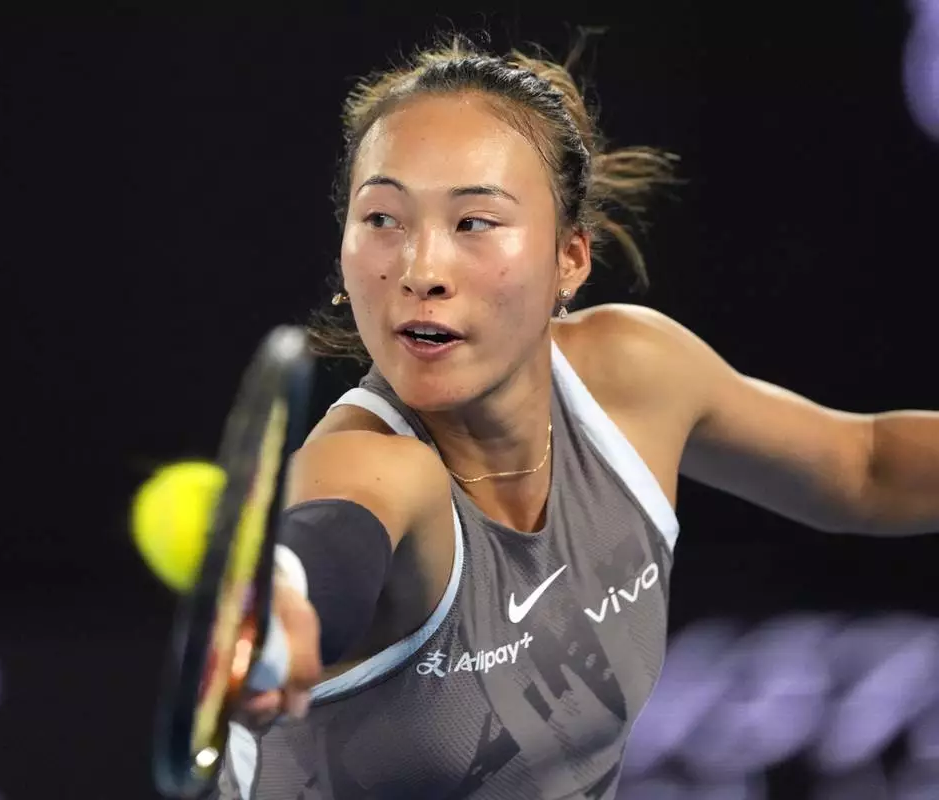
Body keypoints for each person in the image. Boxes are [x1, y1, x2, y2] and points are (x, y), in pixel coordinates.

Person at [212, 34, 939, 800]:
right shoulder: (369, 463)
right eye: (383, 219)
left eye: (474, 222)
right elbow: (326, 542)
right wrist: (285, 602)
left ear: (570, 258)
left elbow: (865, 469)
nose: (421, 270)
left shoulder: (633, 377)